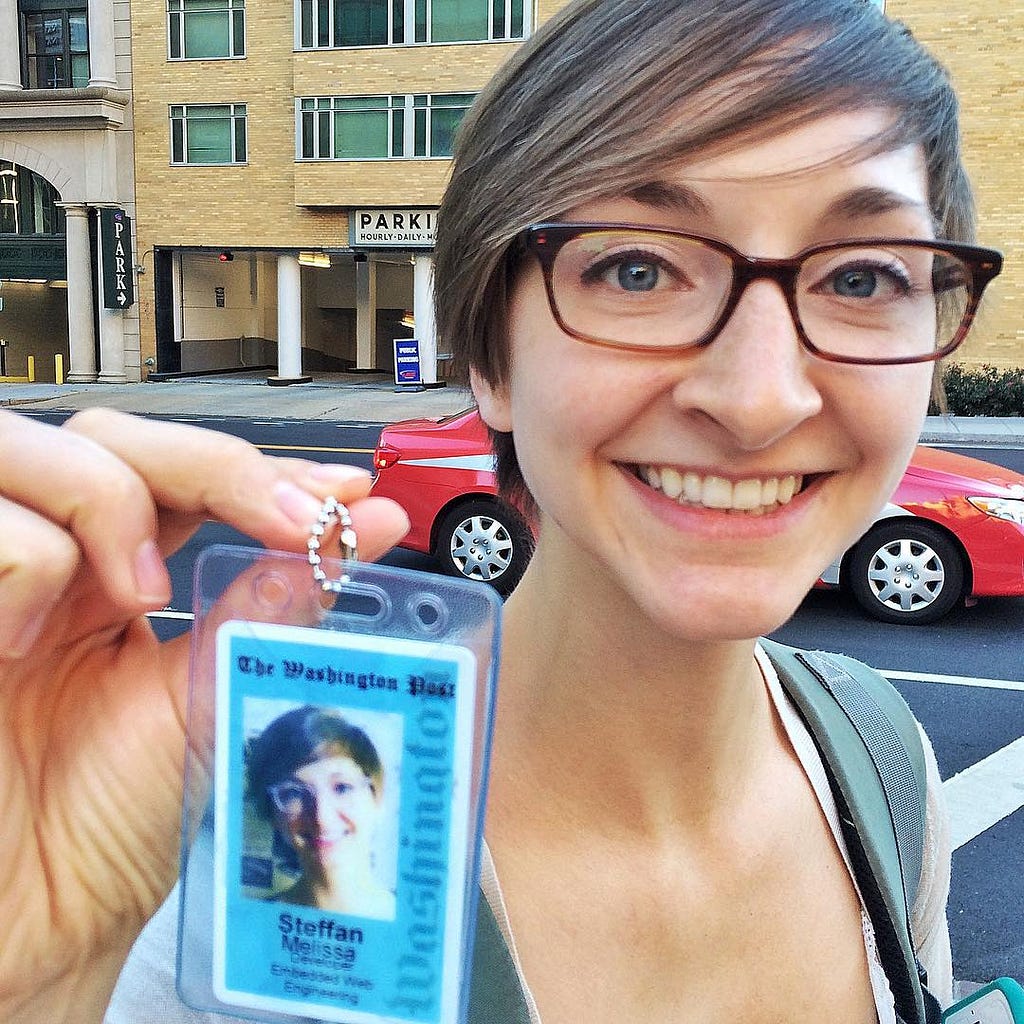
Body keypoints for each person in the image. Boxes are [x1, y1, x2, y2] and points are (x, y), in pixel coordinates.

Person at [0, 0, 1002, 1021]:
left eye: (863, 275)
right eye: (636, 267)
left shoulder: (880, 763)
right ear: (489, 354)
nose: (757, 398)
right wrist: (37, 980)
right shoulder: (291, 852)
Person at [245, 705, 395, 918]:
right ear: (272, 814)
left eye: (342, 788)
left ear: (376, 798)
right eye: (294, 794)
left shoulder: (417, 924)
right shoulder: (252, 922)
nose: (321, 818)